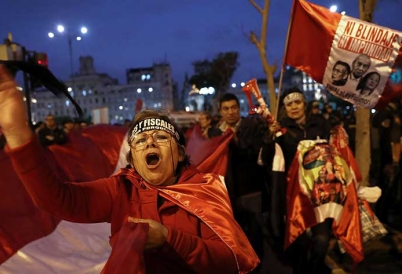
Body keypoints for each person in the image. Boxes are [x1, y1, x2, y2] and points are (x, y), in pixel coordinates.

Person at [0, 65, 259, 273]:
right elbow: (55, 199)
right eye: (141, 140)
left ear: (180, 152)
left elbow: (231, 261)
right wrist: (17, 133)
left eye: (160, 136)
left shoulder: (205, 189)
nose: (149, 141)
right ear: (133, 158)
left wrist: (170, 238)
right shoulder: (119, 190)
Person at [268, 87, 332, 273]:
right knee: (299, 239)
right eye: (289, 104)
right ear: (285, 108)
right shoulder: (280, 128)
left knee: (322, 239)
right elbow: (269, 160)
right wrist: (270, 137)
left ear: (304, 104)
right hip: (294, 194)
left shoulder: (321, 124)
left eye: (297, 102)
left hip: (320, 192)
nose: (294, 107)